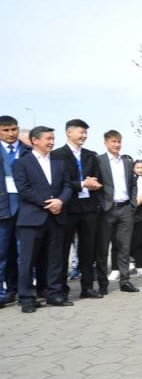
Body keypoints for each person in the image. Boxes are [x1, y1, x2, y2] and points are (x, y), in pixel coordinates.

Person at [12, 126, 73, 311]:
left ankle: (53, 294)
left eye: (53, 138)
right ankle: (27, 298)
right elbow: (24, 189)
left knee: (55, 259)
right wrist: (48, 203)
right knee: (28, 260)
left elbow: (68, 185)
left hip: (56, 218)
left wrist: (61, 201)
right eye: (48, 138)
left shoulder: (59, 162)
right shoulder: (21, 163)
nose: (51, 142)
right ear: (35, 140)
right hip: (32, 218)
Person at [51, 119, 105, 299]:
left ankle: (87, 287)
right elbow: (59, 182)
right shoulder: (57, 155)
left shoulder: (91, 155)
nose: (84, 136)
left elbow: (98, 178)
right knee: (63, 249)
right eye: (81, 132)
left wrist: (95, 184)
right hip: (68, 208)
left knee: (88, 250)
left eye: (86, 133)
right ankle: (61, 289)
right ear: (69, 132)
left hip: (89, 208)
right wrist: (82, 183)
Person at [95, 130, 139, 294]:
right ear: (106, 142)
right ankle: (102, 284)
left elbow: (133, 185)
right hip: (107, 210)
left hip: (125, 208)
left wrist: (132, 204)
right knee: (103, 248)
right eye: (113, 141)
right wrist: (101, 205)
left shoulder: (127, 162)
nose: (117, 145)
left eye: (119, 141)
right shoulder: (99, 160)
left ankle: (125, 281)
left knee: (124, 247)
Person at [0, 115, 30, 307]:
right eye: (6, 130)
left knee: (24, 253)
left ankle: (24, 292)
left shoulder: (27, 150)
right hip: (3, 207)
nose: (11, 134)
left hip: (25, 207)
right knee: (2, 254)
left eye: (14, 129)